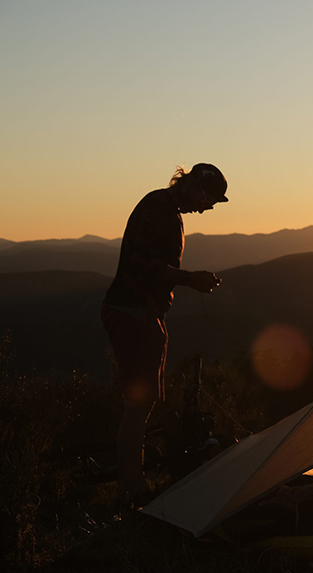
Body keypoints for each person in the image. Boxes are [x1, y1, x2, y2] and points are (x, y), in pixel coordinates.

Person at [101, 163, 228, 508]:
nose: (206, 208)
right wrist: (191, 279)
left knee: (144, 402)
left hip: (144, 314)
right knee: (139, 404)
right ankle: (133, 491)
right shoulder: (159, 209)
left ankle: (134, 485)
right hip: (133, 313)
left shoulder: (164, 209)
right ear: (194, 188)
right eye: (209, 200)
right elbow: (142, 263)